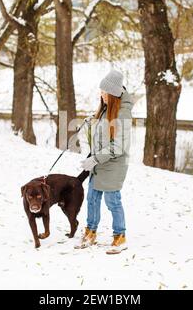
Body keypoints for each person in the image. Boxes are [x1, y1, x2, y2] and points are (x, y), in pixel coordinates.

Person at [77, 69, 133, 255]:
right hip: (100, 163)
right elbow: (101, 134)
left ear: (114, 94)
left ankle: (120, 236)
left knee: (112, 201)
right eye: (101, 92)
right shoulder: (105, 109)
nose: (102, 95)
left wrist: (94, 159)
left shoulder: (122, 114)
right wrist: (91, 123)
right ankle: (90, 232)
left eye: (105, 92)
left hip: (114, 165)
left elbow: (118, 147)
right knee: (92, 198)